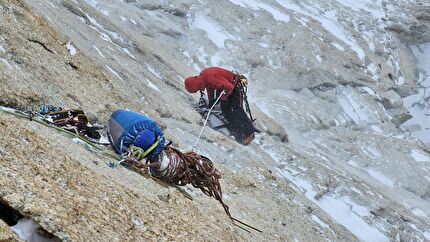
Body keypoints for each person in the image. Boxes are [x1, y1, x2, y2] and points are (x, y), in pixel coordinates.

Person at [184, 67, 257, 145]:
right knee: (226, 111)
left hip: (235, 86)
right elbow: (210, 88)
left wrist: (223, 97)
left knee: (236, 109)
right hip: (225, 87)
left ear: (197, 85)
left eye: (197, 89)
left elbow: (230, 87)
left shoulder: (210, 78)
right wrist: (211, 101)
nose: (199, 90)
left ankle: (249, 132)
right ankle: (237, 132)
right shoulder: (204, 77)